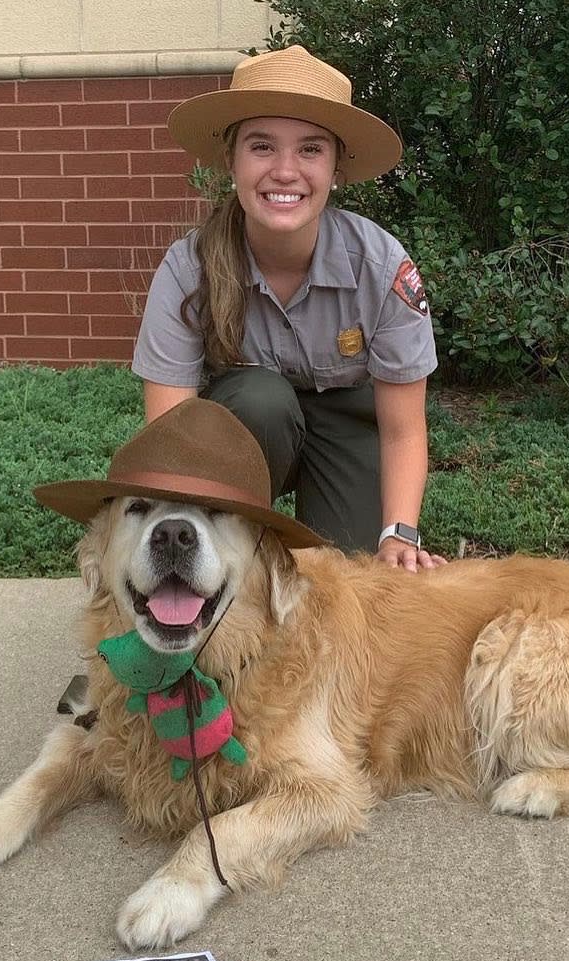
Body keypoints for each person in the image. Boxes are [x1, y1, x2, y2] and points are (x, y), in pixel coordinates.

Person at [131, 45, 446, 573]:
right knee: (262, 399)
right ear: (230, 160)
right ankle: (230, 558)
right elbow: (171, 435)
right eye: (261, 147)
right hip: (246, 429)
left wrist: (399, 534)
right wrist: (174, 560)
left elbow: (402, 429)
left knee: (351, 582)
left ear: (336, 168)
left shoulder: (381, 266)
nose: (284, 171)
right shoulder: (190, 271)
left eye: (310, 149)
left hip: (347, 429)